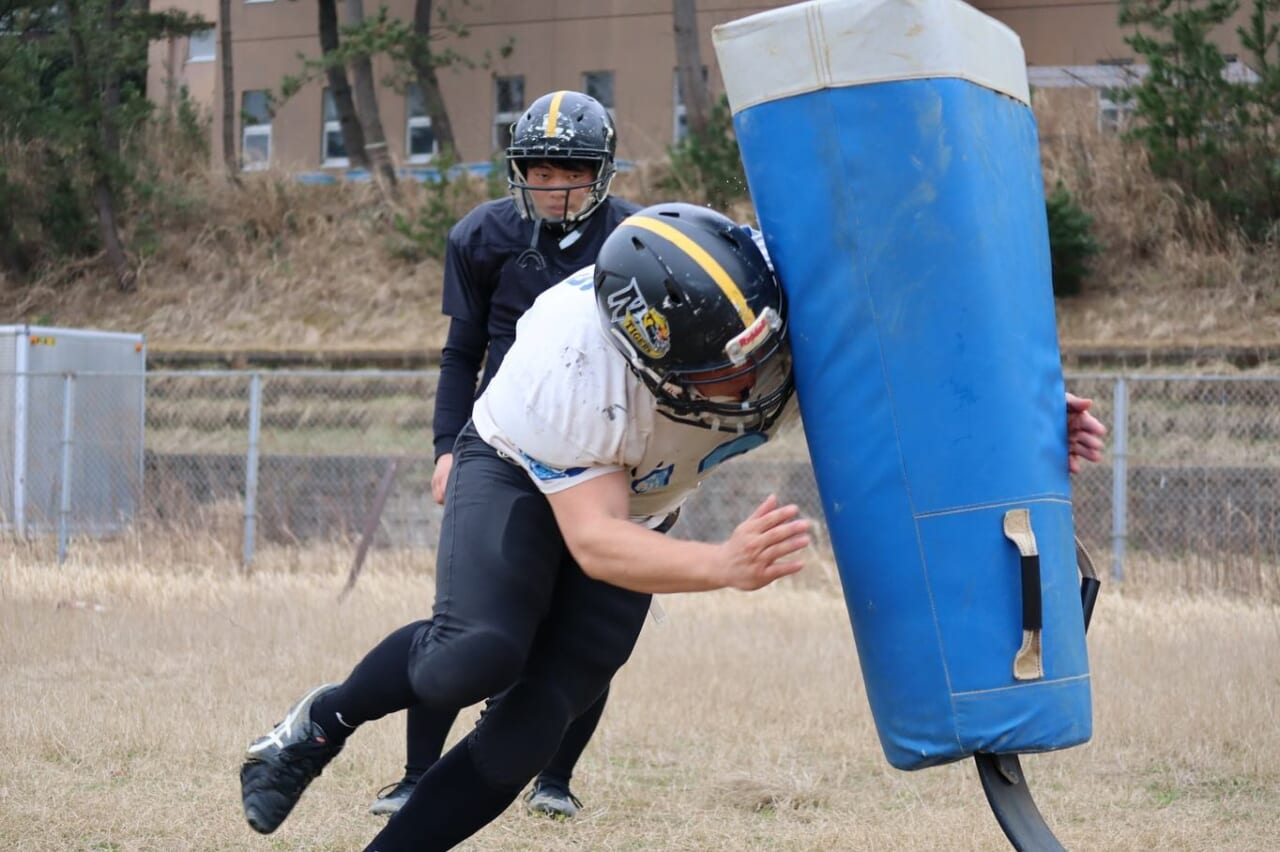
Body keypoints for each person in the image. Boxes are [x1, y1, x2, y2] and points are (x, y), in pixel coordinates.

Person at [239, 203, 1107, 851]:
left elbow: (913, 365)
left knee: (534, 724)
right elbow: (594, 542)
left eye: (765, 355)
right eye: (727, 378)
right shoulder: (575, 368)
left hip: (646, 492)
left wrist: (1026, 423)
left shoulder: (771, 300)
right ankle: (320, 722)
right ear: (650, 360)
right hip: (527, 466)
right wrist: (723, 564)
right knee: (478, 654)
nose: (760, 384)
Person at [369, 89, 642, 821]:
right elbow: (462, 354)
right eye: (541, 172)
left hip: (602, 448)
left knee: (585, 623)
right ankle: (416, 772)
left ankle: (552, 774)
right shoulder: (481, 235)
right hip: (504, 440)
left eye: (572, 172)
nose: (555, 188)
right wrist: (447, 447)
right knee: (468, 621)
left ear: (603, 172)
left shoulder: (638, 239)